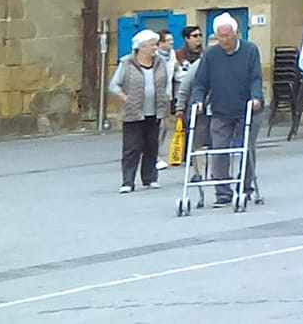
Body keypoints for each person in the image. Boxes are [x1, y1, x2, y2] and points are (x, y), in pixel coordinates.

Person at [184, 13, 263, 206]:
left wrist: (256, 97)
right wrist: (198, 100)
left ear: (236, 34)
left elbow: (256, 78)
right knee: (219, 149)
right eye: (220, 37)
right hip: (221, 109)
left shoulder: (250, 50)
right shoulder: (211, 55)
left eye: (227, 36)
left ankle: (245, 187)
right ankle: (222, 192)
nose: (224, 40)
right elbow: (200, 82)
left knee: (246, 147)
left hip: (247, 108)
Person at [109, 30, 174, 192]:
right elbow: (114, 85)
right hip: (133, 112)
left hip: (155, 111)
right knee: (132, 147)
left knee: (152, 145)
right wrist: (126, 98)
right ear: (141, 47)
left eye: (156, 44)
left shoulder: (160, 62)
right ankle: (127, 181)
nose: (155, 48)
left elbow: (167, 81)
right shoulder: (127, 63)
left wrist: (166, 96)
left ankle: (150, 178)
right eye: (152, 45)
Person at [161, 24, 205, 170]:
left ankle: (195, 152)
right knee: (184, 125)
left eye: (200, 36)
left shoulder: (205, 54)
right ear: (187, 38)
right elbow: (176, 75)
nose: (198, 39)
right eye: (195, 36)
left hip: (201, 95)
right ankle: (185, 154)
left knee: (198, 126)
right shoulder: (178, 54)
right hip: (183, 94)